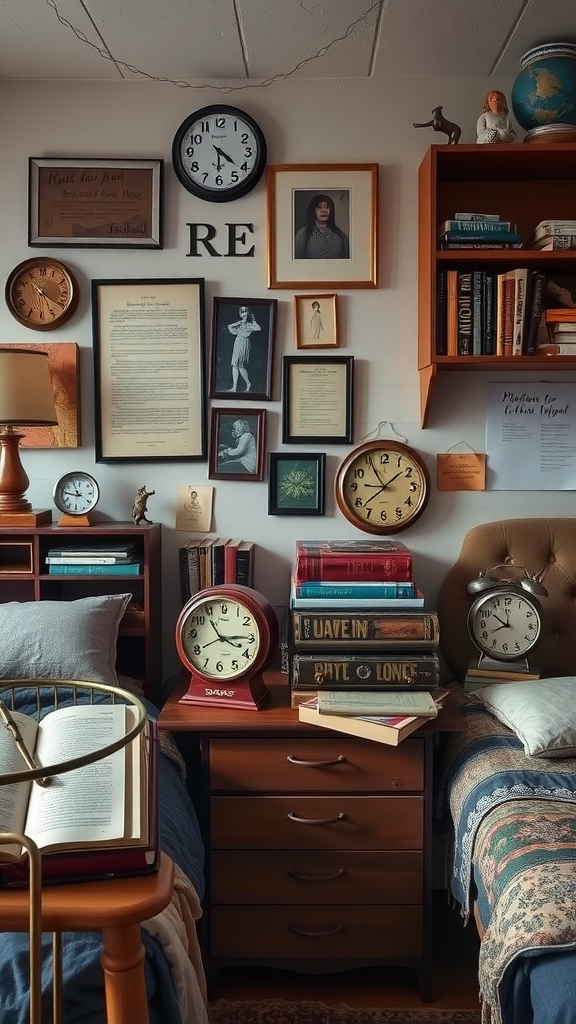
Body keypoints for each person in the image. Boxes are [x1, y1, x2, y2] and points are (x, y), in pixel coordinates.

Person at [294, 194, 350, 259]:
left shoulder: (341, 236)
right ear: (313, 211)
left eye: (327, 207)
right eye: (319, 207)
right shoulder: (302, 235)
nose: (324, 211)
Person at [226, 305, 261, 392]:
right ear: (240, 314)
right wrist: (241, 322)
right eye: (242, 311)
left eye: (245, 311)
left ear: (248, 312)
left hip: (244, 342)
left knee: (240, 365)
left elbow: (258, 328)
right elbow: (229, 327)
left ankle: (248, 383)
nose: (244, 313)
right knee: (234, 364)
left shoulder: (251, 323)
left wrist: (252, 321)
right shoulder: (240, 323)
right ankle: (234, 387)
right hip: (237, 342)